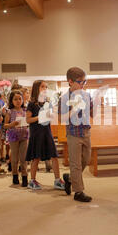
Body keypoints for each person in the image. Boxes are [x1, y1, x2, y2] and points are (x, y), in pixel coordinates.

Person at [59, 67, 93, 202]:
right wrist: (74, 109)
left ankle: (70, 178)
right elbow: (62, 118)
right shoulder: (64, 98)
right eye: (80, 82)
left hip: (85, 131)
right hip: (73, 133)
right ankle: (78, 192)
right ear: (70, 82)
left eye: (84, 82)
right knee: (76, 164)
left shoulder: (86, 95)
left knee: (86, 160)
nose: (82, 85)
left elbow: (92, 113)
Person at [25, 80, 65, 190]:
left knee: (54, 155)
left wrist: (51, 115)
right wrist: (40, 117)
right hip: (36, 133)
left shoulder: (47, 102)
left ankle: (57, 180)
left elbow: (50, 116)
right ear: (37, 88)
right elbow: (28, 120)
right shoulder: (32, 104)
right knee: (36, 157)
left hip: (47, 132)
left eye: (46, 87)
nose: (45, 89)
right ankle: (32, 180)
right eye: (43, 86)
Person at [4, 91, 29, 186]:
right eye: (15, 99)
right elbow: (5, 125)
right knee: (14, 158)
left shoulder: (25, 110)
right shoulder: (10, 111)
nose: (18, 101)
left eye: (20, 99)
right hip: (13, 136)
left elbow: (28, 121)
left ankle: (25, 176)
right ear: (12, 101)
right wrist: (12, 124)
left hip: (24, 136)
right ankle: (15, 175)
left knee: (24, 158)